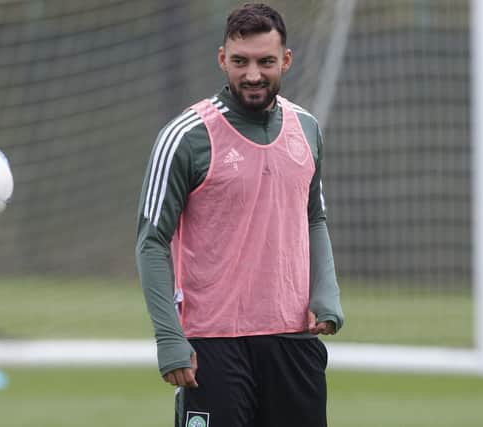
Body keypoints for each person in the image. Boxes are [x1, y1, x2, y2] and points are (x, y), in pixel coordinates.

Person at [135, 3, 344, 427]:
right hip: (213, 345)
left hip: (292, 340)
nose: (252, 74)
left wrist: (326, 294)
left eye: (266, 61)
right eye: (240, 61)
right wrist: (169, 337)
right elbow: (151, 241)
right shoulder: (185, 136)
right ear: (221, 59)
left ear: (285, 60)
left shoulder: (307, 130)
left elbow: (314, 218)